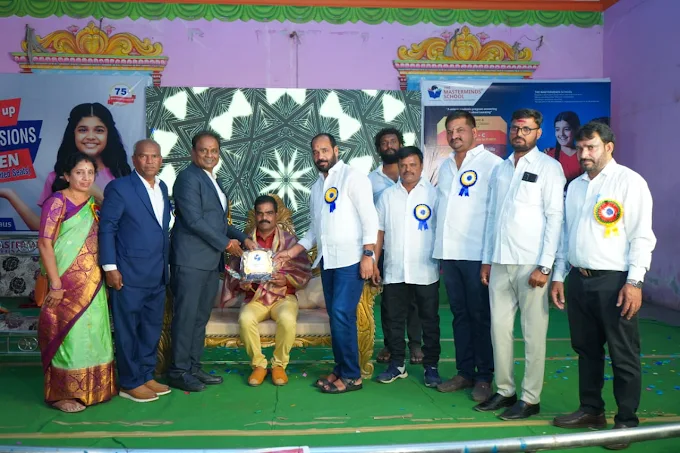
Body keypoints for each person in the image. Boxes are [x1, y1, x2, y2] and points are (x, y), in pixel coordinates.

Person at [551, 122, 656, 450]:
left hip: (615, 282)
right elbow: (566, 234)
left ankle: (626, 422)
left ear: (609, 147)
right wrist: (559, 274)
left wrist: (634, 282)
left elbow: (642, 236)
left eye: (591, 147)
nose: (584, 154)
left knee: (623, 353)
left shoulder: (629, 182)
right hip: (579, 279)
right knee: (586, 350)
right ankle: (591, 410)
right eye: (581, 148)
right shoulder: (575, 186)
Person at [478, 109, 565, 420]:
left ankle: (530, 398)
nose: (519, 133)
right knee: (499, 329)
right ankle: (505, 390)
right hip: (500, 261)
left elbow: (555, 218)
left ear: (538, 133)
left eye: (526, 129)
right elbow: (492, 218)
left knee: (533, 333)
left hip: (532, 264)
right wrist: (487, 259)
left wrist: (545, 266)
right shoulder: (501, 169)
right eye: (515, 128)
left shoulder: (549, 168)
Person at [276, 132, 378, 394]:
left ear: (336, 150)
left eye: (324, 150)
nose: (320, 156)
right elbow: (314, 230)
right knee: (336, 316)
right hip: (328, 261)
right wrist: (291, 252)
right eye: (315, 152)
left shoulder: (353, 177)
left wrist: (369, 255)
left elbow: (370, 218)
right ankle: (341, 368)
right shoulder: (316, 187)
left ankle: (352, 376)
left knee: (343, 314)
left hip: (351, 260)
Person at [168, 131, 256, 392]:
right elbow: (194, 220)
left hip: (208, 261)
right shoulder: (187, 178)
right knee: (186, 317)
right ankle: (178, 371)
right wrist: (227, 244)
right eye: (204, 150)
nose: (209, 155)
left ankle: (193, 367)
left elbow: (217, 222)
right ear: (193, 152)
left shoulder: (212, 180)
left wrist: (243, 238)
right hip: (190, 260)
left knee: (199, 318)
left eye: (214, 150)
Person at [36, 152, 117, 413]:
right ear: (66, 175)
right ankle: (62, 395)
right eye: (79, 172)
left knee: (94, 333)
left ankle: (94, 388)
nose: (85, 178)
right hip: (64, 283)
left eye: (90, 173)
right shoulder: (56, 202)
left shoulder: (94, 203)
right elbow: (45, 243)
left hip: (92, 283)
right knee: (67, 336)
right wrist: (56, 284)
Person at [433, 110, 502, 403]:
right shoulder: (446, 166)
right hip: (450, 255)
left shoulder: (492, 165)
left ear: (474, 132)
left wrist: (488, 258)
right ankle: (464, 372)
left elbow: (494, 214)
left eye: (460, 130)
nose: (454, 135)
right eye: (450, 131)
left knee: (480, 316)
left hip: (477, 256)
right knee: (459, 315)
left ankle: (484, 376)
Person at [99, 139, 172, 403]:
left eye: (154, 156)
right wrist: (110, 267)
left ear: (160, 160)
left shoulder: (162, 187)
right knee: (128, 329)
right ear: (134, 159)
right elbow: (107, 228)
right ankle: (130, 382)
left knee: (150, 328)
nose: (149, 161)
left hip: (158, 272)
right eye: (144, 156)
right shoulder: (119, 188)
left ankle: (145, 375)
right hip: (128, 273)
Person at [222, 195, 312, 387]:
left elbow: (304, 271)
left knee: (287, 319)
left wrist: (286, 279)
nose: (265, 218)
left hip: (284, 297)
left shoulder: (290, 242)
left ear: (276, 215)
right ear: (255, 215)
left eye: (269, 213)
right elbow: (234, 273)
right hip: (255, 298)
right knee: (245, 319)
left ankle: (279, 365)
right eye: (260, 213)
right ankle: (259, 365)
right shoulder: (245, 243)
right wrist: (242, 283)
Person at [0, 103, 132, 231]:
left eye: (99, 130)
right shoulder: (56, 177)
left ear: (108, 134)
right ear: (73, 133)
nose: (91, 137)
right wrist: (10, 195)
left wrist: (96, 193)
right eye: (83, 130)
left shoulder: (121, 175)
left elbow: (131, 222)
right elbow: (45, 229)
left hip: (111, 246)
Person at [373, 146, 441, 387]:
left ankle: (431, 367)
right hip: (395, 270)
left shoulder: (434, 195)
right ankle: (397, 364)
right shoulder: (387, 196)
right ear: (398, 167)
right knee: (393, 319)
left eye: (413, 165)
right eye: (403, 165)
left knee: (429, 320)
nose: (408, 169)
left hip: (426, 269)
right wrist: (374, 262)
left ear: (421, 167)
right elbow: (379, 232)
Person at [368, 128, 423, 366]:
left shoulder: (414, 178)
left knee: (415, 299)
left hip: (412, 247)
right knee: (389, 301)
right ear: (378, 149)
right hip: (383, 249)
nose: (389, 145)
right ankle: (391, 344)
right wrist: (372, 256)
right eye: (384, 143)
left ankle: (416, 344)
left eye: (393, 141)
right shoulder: (370, 180)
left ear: (400, 144)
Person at [544, 111, 582, 185]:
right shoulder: (548, 155)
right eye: (557, 129)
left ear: (576, 130)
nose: (561, 134)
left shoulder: (584, 155)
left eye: (566, 129)